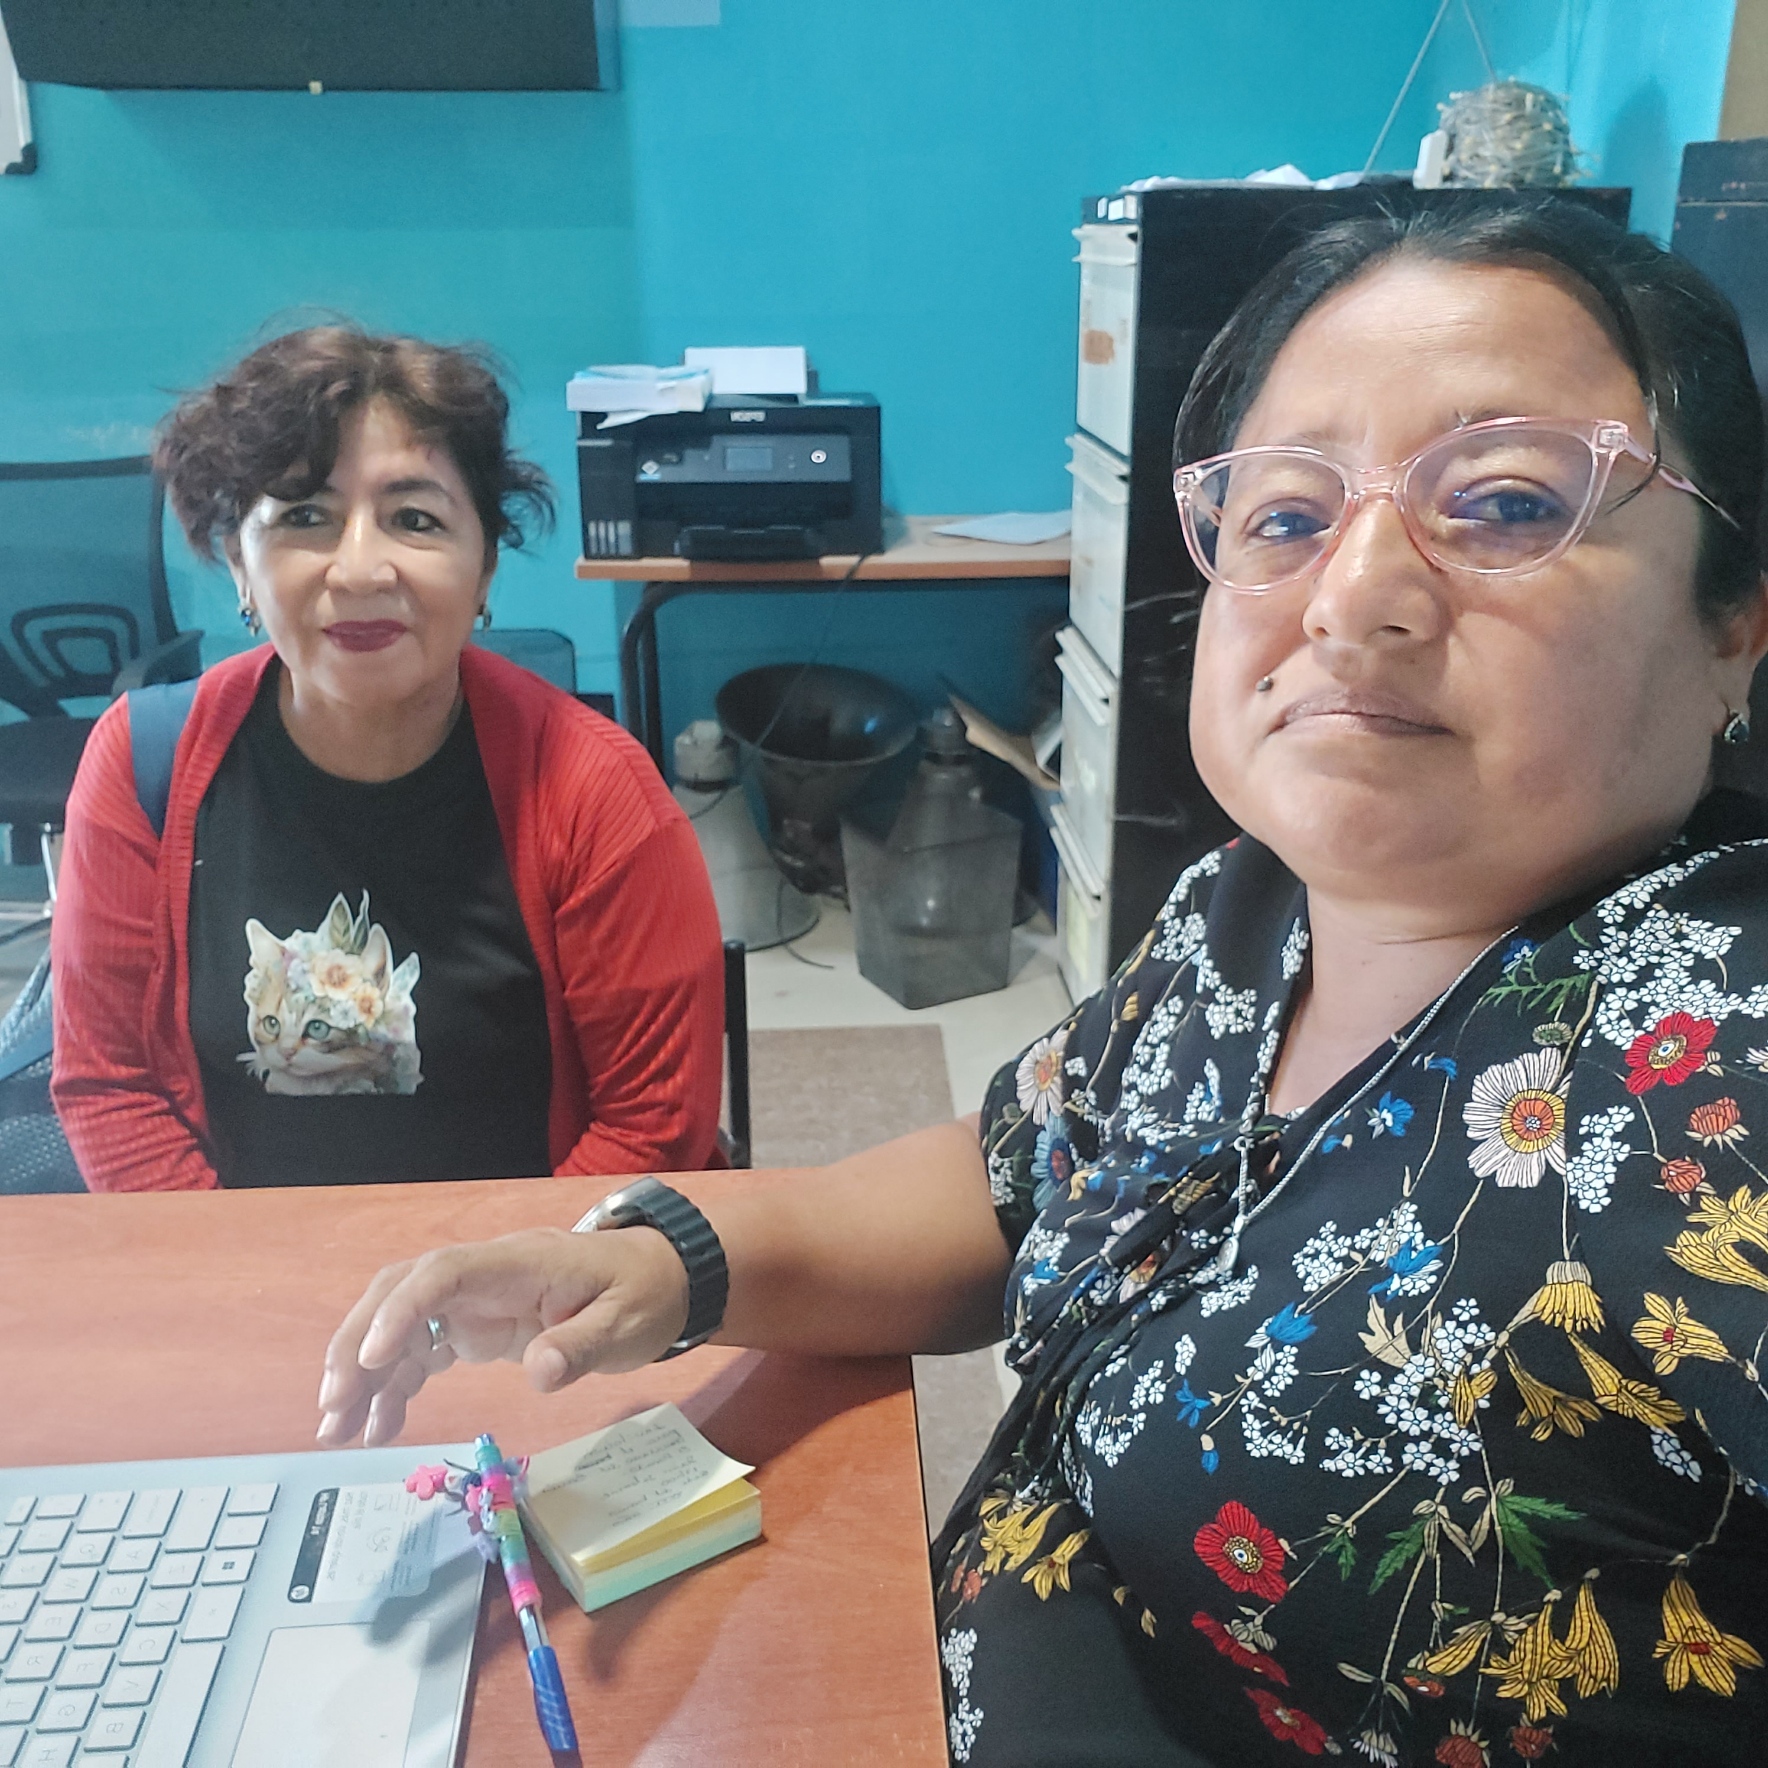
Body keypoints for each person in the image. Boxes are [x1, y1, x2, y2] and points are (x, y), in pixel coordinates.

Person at [315, 202, 1768, 1765]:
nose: (1350, 596)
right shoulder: (1247, 911)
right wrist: (677, 1260)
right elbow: (1015, 1176)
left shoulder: (1717, 1071)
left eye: (1503, 502)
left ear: (1735, 628)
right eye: (1286, 515)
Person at [52, 326, 724, 1191]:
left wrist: (489, 1278)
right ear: (241, 567)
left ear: (485, 569)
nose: (361, 571)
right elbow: (113, 1089)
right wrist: (244, 1269)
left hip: (531, 1257)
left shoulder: (596, 792)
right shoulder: (143, 765)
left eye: (415, 519)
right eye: (305, 516)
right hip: (238, 1256)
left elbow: (650, 1124)